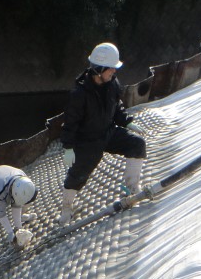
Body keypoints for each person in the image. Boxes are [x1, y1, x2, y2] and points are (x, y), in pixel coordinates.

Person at [58, 42, 147, 224]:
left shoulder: (113, 84)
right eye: (111, 69)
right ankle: (66, 209)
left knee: (137, 144)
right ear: (99, 69)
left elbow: (117, 108)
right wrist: (68, 147)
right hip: (87, 141)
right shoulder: (79, 94)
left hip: (108, 132)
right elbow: (70, 123)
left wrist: (127, 122)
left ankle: (132, 189)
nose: (114, 72)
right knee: (77, 175)